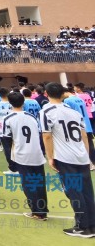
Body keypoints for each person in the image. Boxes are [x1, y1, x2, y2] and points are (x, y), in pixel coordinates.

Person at [41, 82, 95, 237]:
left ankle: (82, 226)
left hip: (65, 158)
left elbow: (46, 135)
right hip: (81, 156)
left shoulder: (46, 111)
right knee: (86, 191)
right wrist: (86, 155)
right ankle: (91, 224)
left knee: (73, 191)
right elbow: (84, 135)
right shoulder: (73, 111)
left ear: (46, 93)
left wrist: (50, 157)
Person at [1, 91, 48, 221]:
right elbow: (40, 135)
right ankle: (43, 210)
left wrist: (11, 161)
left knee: (28, 184)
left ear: (10, 103)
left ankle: (37, 212)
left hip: (22, 154)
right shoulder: (32, 117)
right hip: (36, 153)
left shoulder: (7, 118)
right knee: (39, 182)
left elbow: (6, 140)